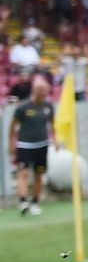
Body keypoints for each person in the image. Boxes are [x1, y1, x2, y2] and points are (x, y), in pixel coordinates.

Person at [10, 74, 54, 215]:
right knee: (23, 173)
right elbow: (12, 127)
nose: (44, 93)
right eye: (41, 90)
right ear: (34, 90)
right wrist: (11, 143)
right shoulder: (23, 108)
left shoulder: (48, 106)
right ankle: (23, 201)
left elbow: (53, 125)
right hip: (24, 146)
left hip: (41, 146)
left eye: (45, 90)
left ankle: (35, 202)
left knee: (38, 175)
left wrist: (57, 139)